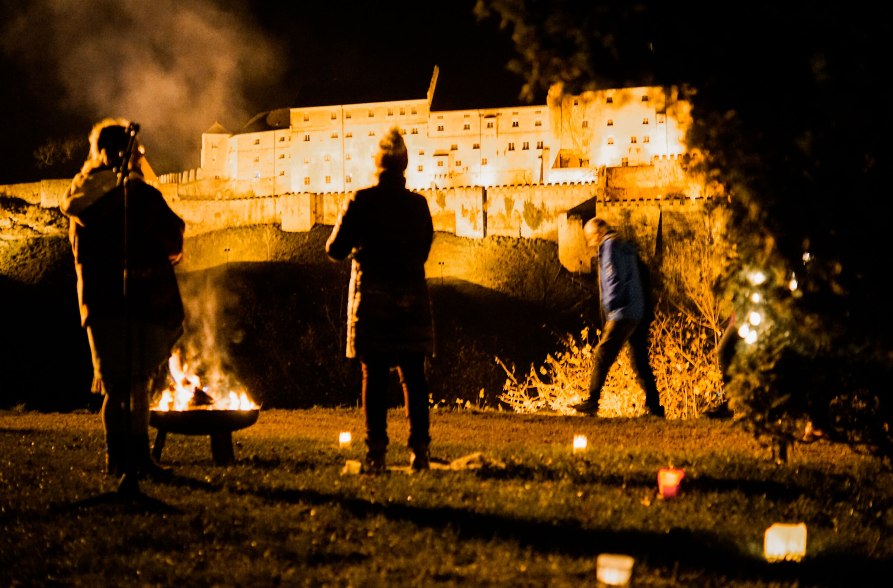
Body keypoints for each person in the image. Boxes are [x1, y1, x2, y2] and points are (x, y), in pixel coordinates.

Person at [61, 118, 186, 492]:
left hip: (100, 301)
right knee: (134, 385)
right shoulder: (136, 195)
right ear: (125, 154)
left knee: (120, 387)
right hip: (140, 297)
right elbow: (172, 235)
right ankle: (134, 460)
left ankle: (124, 459)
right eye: (137, 153)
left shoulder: (82, 194)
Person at [325, 127, 435, 473]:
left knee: (373, 379)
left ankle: (377, 454)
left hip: (372, 301)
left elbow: (335, 249)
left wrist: (361, 243)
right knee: (414, 378)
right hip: (411, 300)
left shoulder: (361, 201)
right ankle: (420, 452)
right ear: (404, 165)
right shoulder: (418, 205)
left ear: (377, 165)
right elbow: (422, 252)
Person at [571, 217, 665, 417]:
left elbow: (613, 278)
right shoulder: (624, 246)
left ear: (597, 233)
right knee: (640, 361)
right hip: (637, 310)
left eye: (589, 237)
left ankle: (592, 400)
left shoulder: (610, 246)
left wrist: (611, 308)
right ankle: (655, 408)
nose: (589, 241)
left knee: (602, 354)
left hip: (622, 311)